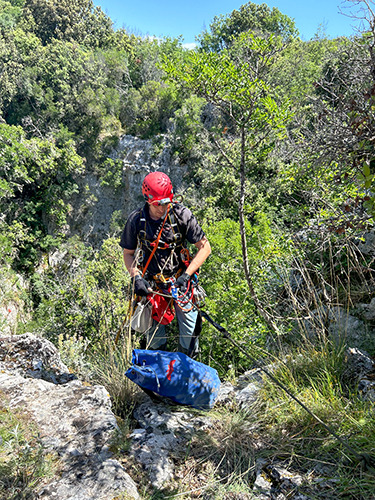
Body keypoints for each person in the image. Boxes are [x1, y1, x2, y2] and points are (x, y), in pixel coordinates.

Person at [120, 171, 211, 357]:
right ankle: (159, 377)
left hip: (181, 283)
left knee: (190, 334)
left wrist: (187, 275)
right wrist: (136, 277)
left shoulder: (181, 215)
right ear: (148, 200)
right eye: (158, 204)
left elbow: (205, 247)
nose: (162, 208)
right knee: (154, 339)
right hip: (152, 286)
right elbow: (128, 254)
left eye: (166, 203)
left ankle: (187, 372)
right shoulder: (137, 220)